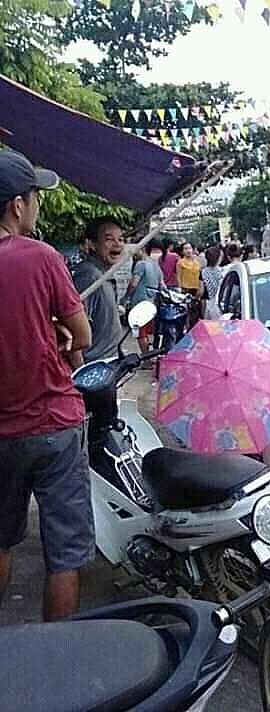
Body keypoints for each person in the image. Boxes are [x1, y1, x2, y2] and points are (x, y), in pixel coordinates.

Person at [0, 150, 94, 621]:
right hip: (53, 424)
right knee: (65, 556)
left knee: (1, 541)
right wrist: (57, 332)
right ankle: (56, 652)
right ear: (17, 205)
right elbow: (84, 336)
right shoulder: (41, 257)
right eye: (35, 197)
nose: (37, 206)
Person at [72, 217, 125, 364]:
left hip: (110, 363)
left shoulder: (105, 273)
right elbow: (72, 331)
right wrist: (81, 371)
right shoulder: (90, 276)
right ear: (92, 244)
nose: (117, 244)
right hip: (95, 367)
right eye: (109, 239)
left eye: (121, 239)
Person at [124, 239, 164, 355]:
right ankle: (150, 355)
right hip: (152, 302)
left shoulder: (140, 264)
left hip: (139, 302)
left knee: (141, 333)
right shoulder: (155, 265)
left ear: (142, 249)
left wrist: (126, 297)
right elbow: (162, 284)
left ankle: (146, 358)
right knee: (148, 331)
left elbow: (133, 283)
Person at [202, 246, 223, 320]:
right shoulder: (223, 271)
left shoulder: (203, 272)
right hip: (221, 305)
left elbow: (201, 291)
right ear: (218, 258)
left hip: (210, 305)